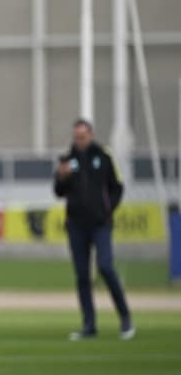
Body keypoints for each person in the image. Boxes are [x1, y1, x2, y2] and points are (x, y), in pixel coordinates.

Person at [54, 118, 134, 341]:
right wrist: (62, 176)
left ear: (90, 134)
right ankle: (89, 325)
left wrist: (109, 211)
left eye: (83, 136)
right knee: (82, 276)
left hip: (100, 224)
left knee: (105, 267)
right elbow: (59, 191)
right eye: (76, 137)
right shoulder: (68, 160)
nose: (79, 140)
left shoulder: (103, 157)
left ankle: (125, 318)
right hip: (76, 226)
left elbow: (117, 187)